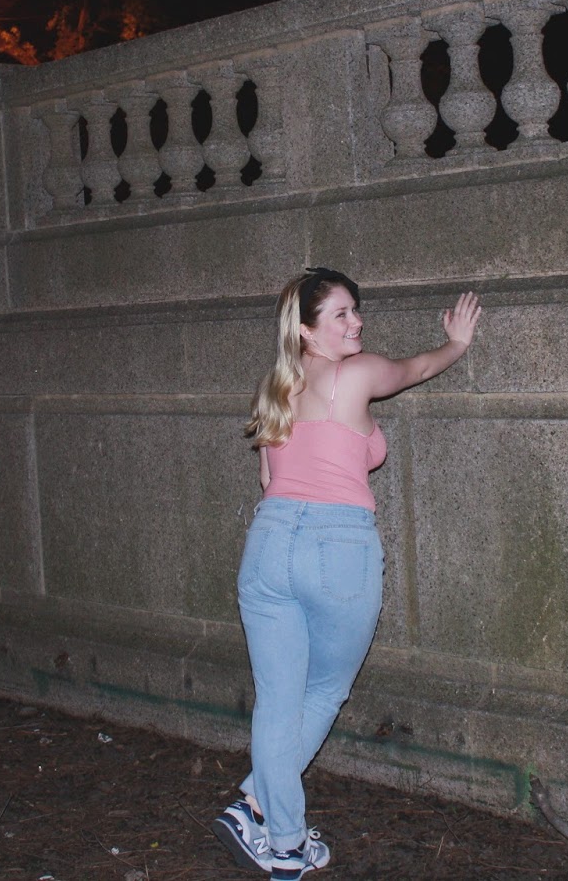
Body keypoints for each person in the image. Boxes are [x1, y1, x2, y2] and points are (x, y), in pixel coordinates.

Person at [210, 267, 482, 879]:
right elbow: (416, 370)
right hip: (337, 548)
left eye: (356, 311)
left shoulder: (273, 391)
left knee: (278, 702)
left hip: (269, 543)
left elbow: (267, 480)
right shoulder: (353, 376)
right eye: (340, 314)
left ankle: (278, 838)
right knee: (325, 690)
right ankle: (262, 812)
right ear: (306, 330)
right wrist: (458, 344)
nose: (356, 322)